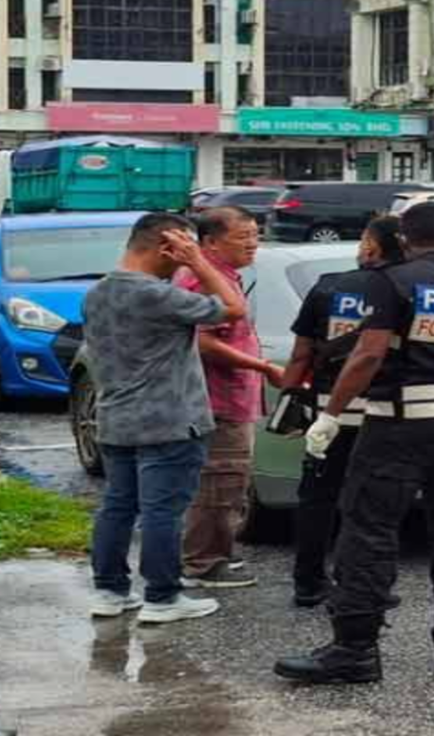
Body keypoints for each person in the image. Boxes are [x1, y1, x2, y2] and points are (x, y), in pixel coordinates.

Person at [273, 202, 434, 684]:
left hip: (399, 423)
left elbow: (368, 354)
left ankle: (355, 650)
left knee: (369, 531)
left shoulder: (392, 282)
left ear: (404, 240)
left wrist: (329, 414)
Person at [84, 213, 249, 624]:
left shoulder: (98, 291)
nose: (184, 258)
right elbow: (233, 308)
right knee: (163, 511)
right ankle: (162, 596)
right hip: (170, 420)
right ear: (166, 247)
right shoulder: (155, 295)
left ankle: (109, 591)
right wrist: (198, 262)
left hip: (116, 417)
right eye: (183, 248)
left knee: (117, 507)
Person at [280, 215, 405, 607]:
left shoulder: (329, 287)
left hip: (329, 408)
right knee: (374, 503)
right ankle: (365, 584)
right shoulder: (412, 290)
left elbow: (302, 353)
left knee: (318, 496)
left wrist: (290, 397)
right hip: (390, 411)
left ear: (371, 247)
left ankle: (309, 582)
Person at [176, 207, 283, 590]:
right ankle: (203, 563)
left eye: (255, 235)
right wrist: (261, 366)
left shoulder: (224, 276)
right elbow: (202, 342)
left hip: (233, 397)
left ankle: (216, 550)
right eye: (243, 236)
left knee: (229, 481)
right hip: (217, 399)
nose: (253, 243)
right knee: (220, 482)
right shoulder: (204, 281)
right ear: (210, 242)